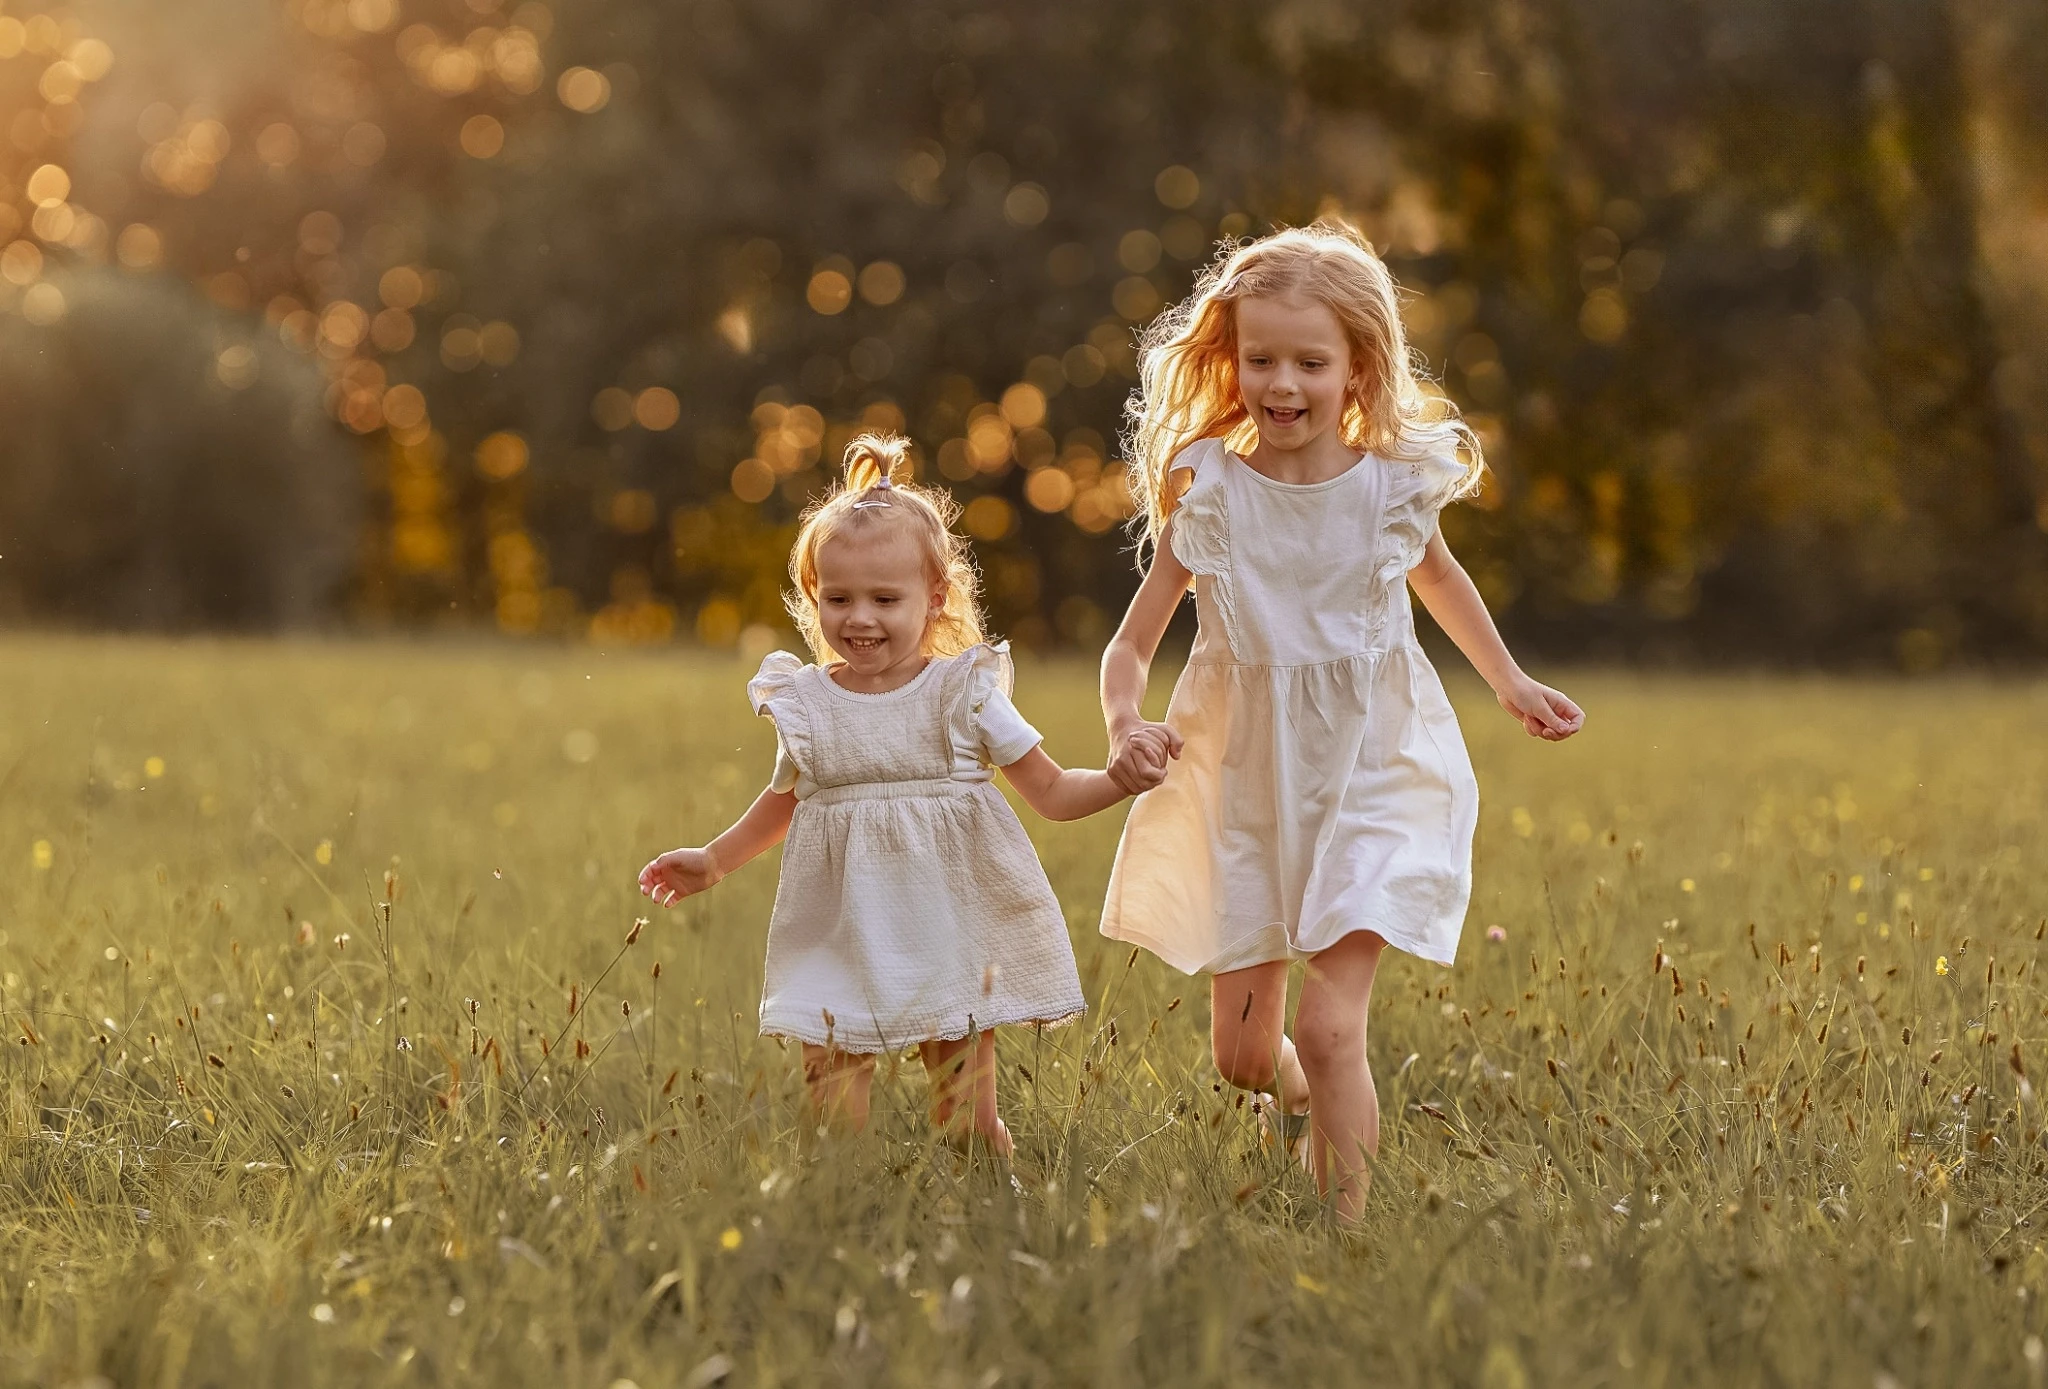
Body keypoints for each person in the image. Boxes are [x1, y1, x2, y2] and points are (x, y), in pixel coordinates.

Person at [1097, 222, 1585, 1220]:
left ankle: (1344, 1237)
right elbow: (1130, 646)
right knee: (1244, 1056)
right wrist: (1122, 722)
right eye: (1261, 359)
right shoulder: (1210, 491)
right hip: (1246, 788)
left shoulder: (1389, 489)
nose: (1282, 383)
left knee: (1328, 1030)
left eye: (1309, 362)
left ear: (1356, 367)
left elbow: (1440, 580)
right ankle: (1290, 1098)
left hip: (1371, 773)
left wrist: (1508, 681)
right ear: (1232, 362)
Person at [640, 434, 1129, 1157]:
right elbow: (783, 803)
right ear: (815, 597)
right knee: (834, 1123)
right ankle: (845, 1210)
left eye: (885, 599)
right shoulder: (809, 703)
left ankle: (995, 1195)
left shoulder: (963, 692)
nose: (859, 618)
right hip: (839, 928)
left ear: (935, 600)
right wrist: (712, 861)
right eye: (838, 598)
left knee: (963, 1122)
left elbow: (1051, 790)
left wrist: (1120, 778)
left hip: (951, 926)